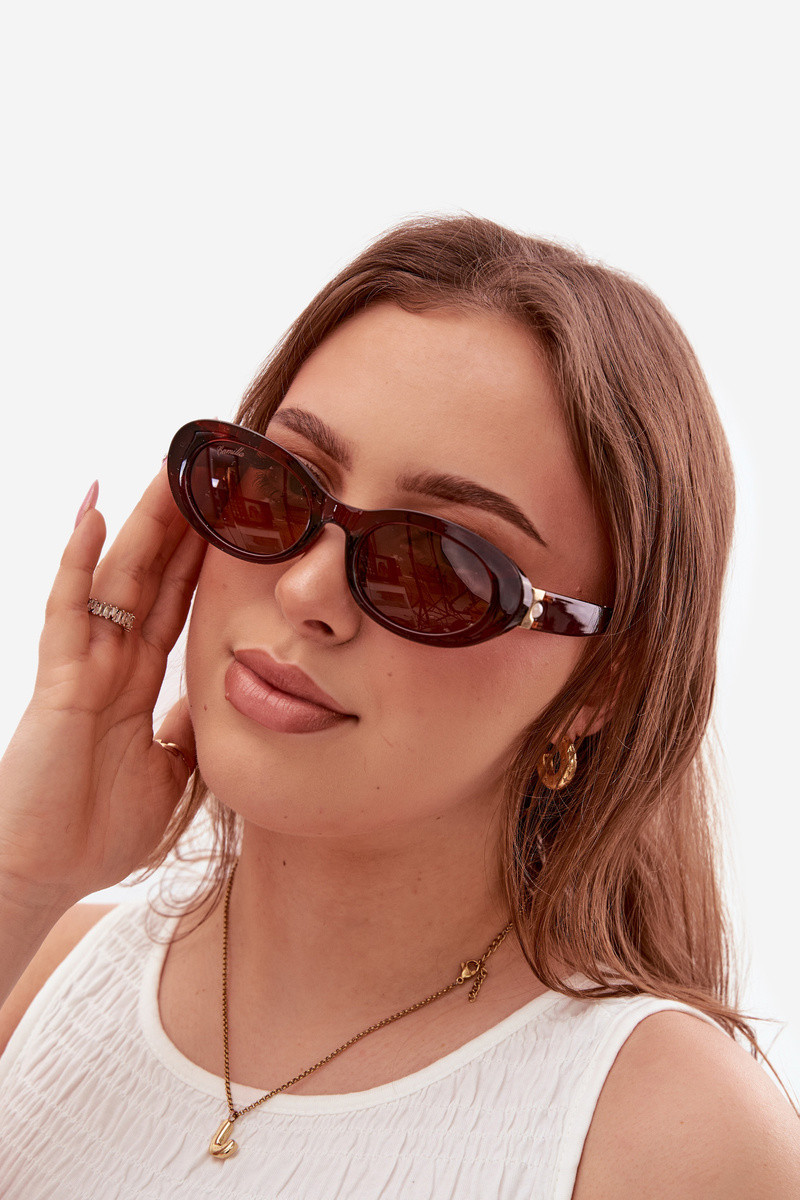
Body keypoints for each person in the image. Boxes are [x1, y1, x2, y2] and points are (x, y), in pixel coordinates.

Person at [0, 215, 797, 1199]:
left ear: (603, 683)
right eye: (278, 488)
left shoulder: (671, 1137)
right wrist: (20, 871)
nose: (306, 592)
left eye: (439, 565)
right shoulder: (42, 969)